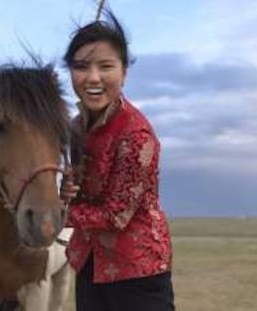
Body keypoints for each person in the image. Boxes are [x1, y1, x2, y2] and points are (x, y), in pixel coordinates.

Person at [60, 10, 175, 311]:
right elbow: (80, 192)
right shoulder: (75, 128)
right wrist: (66, 191)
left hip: (137, 271)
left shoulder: (136, 135)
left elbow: (116, 216)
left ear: (124, 72)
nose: (93, 77)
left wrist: (59, 214)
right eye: (81, 66)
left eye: (106, 66)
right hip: (90, 263)